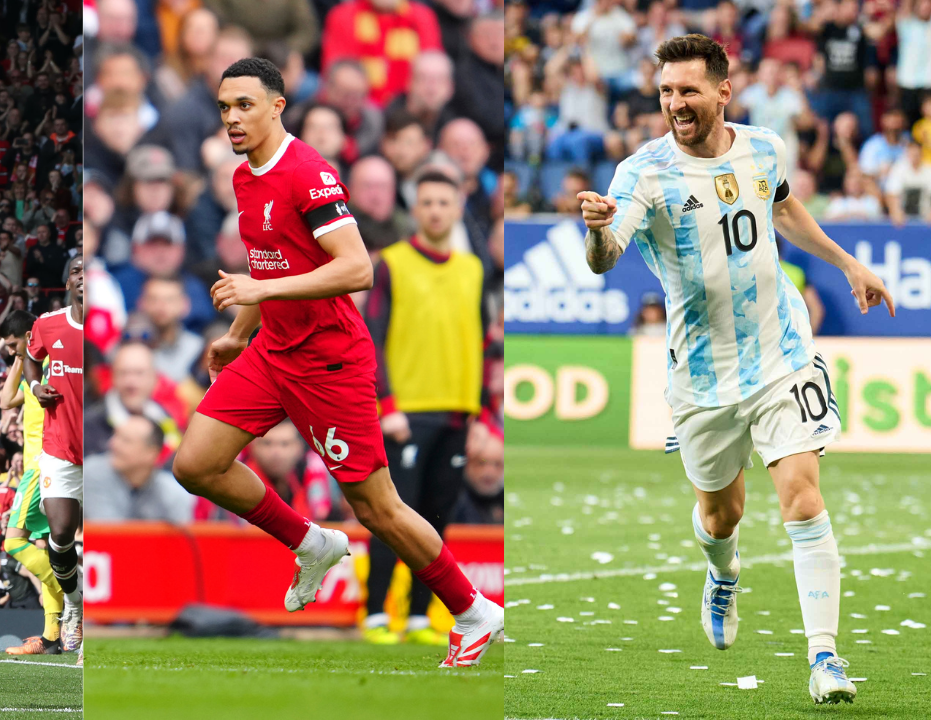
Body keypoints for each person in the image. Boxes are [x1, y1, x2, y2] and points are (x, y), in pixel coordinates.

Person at [578, 35, 894, 706]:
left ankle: (825, 658)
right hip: (701, 374)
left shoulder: (763, 147)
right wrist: (598, 230)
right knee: (722, 517)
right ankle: (722, 575)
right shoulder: (642, 172)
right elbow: (607, 258)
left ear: (724, 91)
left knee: (803, 497)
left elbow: (782, 207)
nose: (674, 103)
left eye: (687, 90)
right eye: (665, 91)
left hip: (781, 352)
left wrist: (848, 263)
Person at [170, 58, 501, 669]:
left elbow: (356, 269)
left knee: (377, 508)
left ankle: (474, 609)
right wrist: (240, 334)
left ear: (278, 106)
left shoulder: (308, 172)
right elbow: (270, 266)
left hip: (329, 361)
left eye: (245, 104)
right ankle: (311, 542)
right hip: (272, 349)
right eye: (224, 107)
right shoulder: (246, 177)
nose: (232, 118)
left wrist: (258, 297)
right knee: (195, 463)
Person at [361, 170, 485, 647]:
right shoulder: (391, 263)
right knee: (394, 516)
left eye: (444, 202)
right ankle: (375, 612)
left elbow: (474, 340)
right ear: (416, 210)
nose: (435, 210)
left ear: (456, 209)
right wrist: (386, 404)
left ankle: (415, 616)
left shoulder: (472, 269)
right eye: (427, 202)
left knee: (435, 520)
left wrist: (476, 412)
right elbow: (374, 336)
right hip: (405, 412)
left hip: (456, 410)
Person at [21, 263, 84, 664]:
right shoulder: (48, 324)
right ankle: (75, 603)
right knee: (59, 536)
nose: (84, 275)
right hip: (59, 447)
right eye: (77, 270)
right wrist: (33, 384)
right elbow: (30, 360)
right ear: (68, 282)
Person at [0, 310, 68, 655]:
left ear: (28, 334)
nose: (11, 351)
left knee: (13, 542)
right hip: (37, 465)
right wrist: (21, 354)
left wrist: (28, 349)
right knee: (44, 551)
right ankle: (53, 636)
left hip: (42, 464)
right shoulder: (31, 366)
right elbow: (4, 400)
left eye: (13, 344)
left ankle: (72, 593)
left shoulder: (53, 361)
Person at [85, 415, 195, 523]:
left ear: (151, 454)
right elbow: (108, 535)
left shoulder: (174, 493)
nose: (113, 444)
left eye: (126, 441)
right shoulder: (92, 473)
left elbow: (183, 538)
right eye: (115, 436)